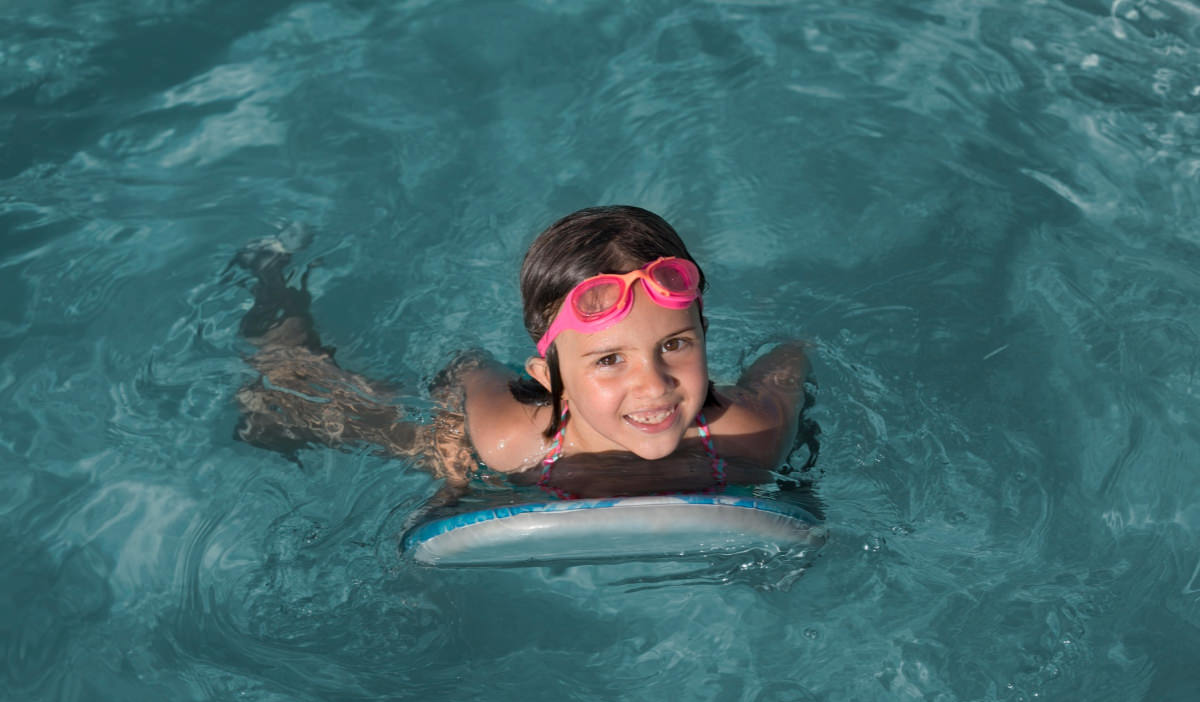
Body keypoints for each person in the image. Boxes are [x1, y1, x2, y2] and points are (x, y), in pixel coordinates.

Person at [232, 205, 817, 501]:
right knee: (295, 393)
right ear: (550, 374)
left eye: (676, 344)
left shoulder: (750, 432)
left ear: (705, 337)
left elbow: (791, 359)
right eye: (610, 358)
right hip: (485, 404)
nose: (655, 384)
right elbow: (472, 377)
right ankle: (271, 284)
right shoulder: (512, 442)